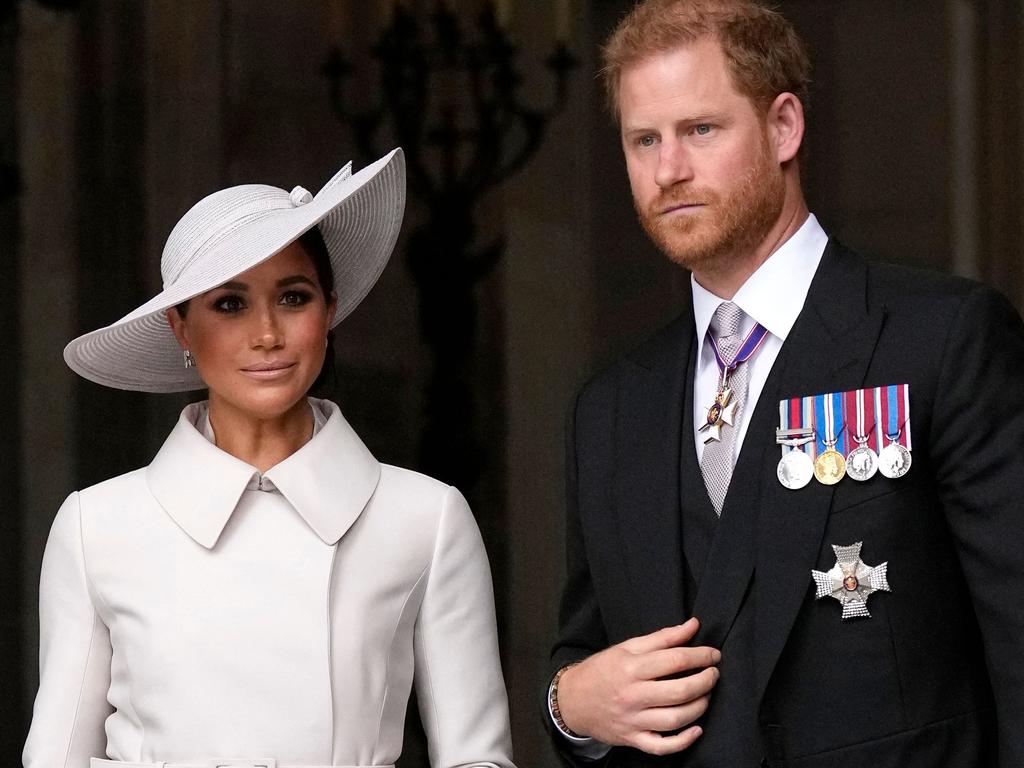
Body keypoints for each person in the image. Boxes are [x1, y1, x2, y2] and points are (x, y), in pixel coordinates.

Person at [545, 1, 1024, 766]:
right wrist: (567, 705)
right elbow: (588, 659)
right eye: (645, 140)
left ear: (784, 127)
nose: (669, 169)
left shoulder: (942, 340)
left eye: (701, 129)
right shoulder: (608, 410)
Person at [23, 149, 516, 768]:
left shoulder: (427, 518)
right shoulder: (95, 527)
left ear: (329, 309)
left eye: (293, 297)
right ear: (180, 327)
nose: (266, 334)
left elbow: (478, 759)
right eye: (229, 304)